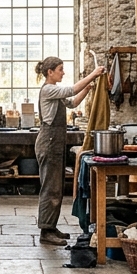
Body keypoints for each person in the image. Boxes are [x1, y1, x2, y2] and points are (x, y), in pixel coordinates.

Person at [34, 56, 106, 245]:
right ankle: (45, 231)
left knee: (56, 188)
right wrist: (93, 74)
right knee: (50, 188)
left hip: (55, 143)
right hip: (49, 143)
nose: (63, 72)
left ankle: (51, 227)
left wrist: (87, 89)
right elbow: (71, 90)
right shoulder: (48, 89)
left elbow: (72, 102)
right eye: (60, 69)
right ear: (50, 72)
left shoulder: (55, 91)